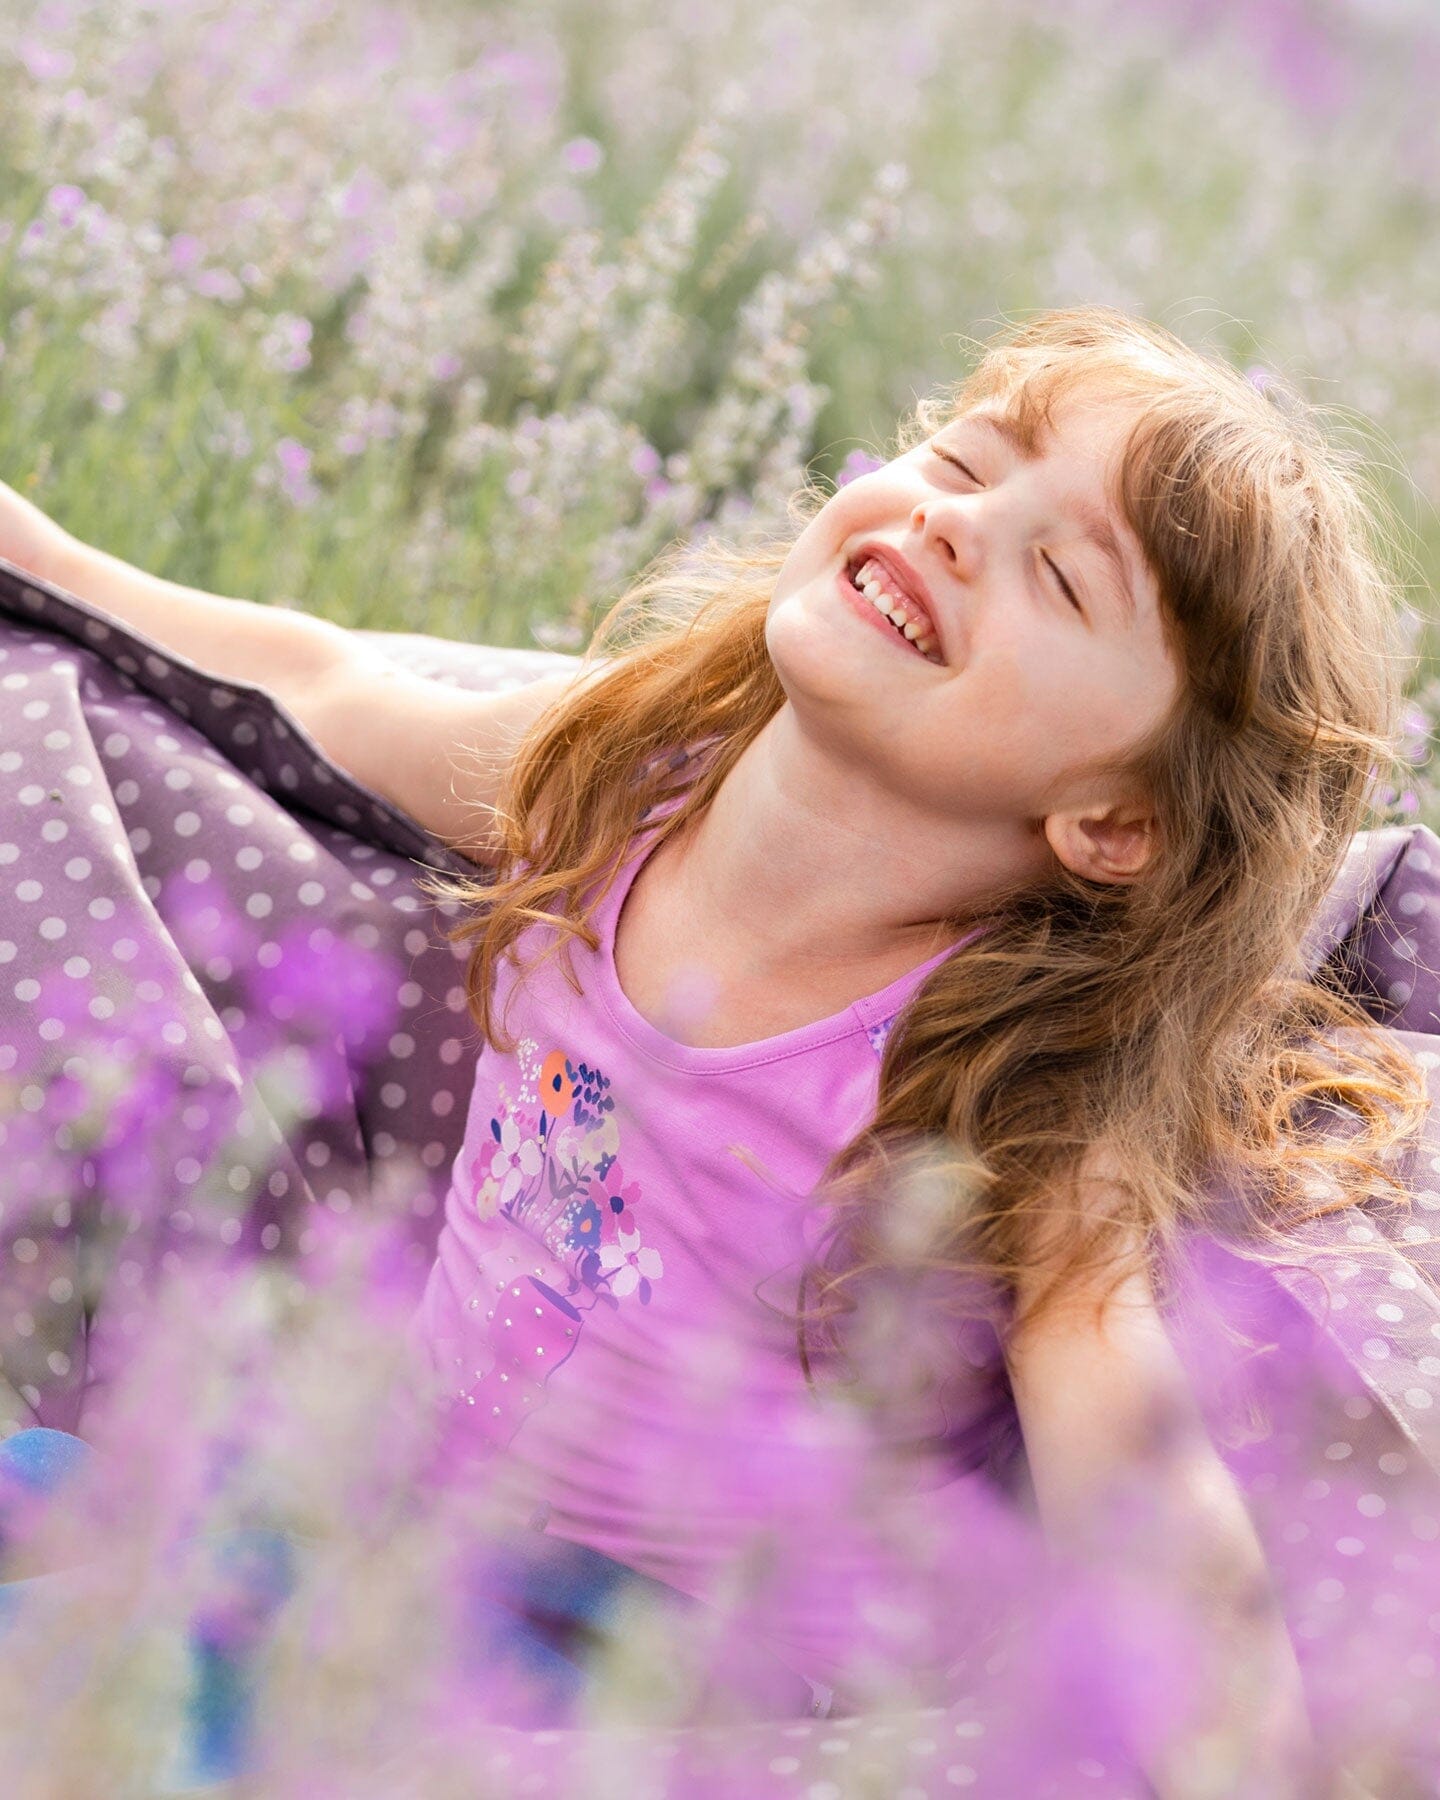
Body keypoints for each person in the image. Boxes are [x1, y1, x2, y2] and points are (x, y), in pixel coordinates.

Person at [0, 305, 1427, 1797]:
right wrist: (56, 567)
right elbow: (329, 687)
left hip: (639, 1671)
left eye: (1060, 573)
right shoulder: (623, 786)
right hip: (381, 1514)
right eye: (963, 458)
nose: (957, 525)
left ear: (1116, 821)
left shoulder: (1008, 1091)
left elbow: (1151, 1500)